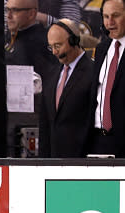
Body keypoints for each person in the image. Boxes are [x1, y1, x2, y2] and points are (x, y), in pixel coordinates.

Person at [39, 19, 94, 157]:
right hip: (53, 161)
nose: (54, 52)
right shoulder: (51, 75)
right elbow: (46, 124)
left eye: (58, 45)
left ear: (74, 41)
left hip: (83, 161)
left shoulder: (94, 72)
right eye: (51, 47)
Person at [88, 0, 125, 156]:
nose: (110, 22)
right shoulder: (102, 48)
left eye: (116, 16)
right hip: (99, 141)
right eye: (106, 16)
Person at [4, 0, 58, 83]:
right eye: (7, 10)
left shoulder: (43, 43)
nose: (8, 16)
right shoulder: (7, 36)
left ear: (31, 14)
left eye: (15, 10)